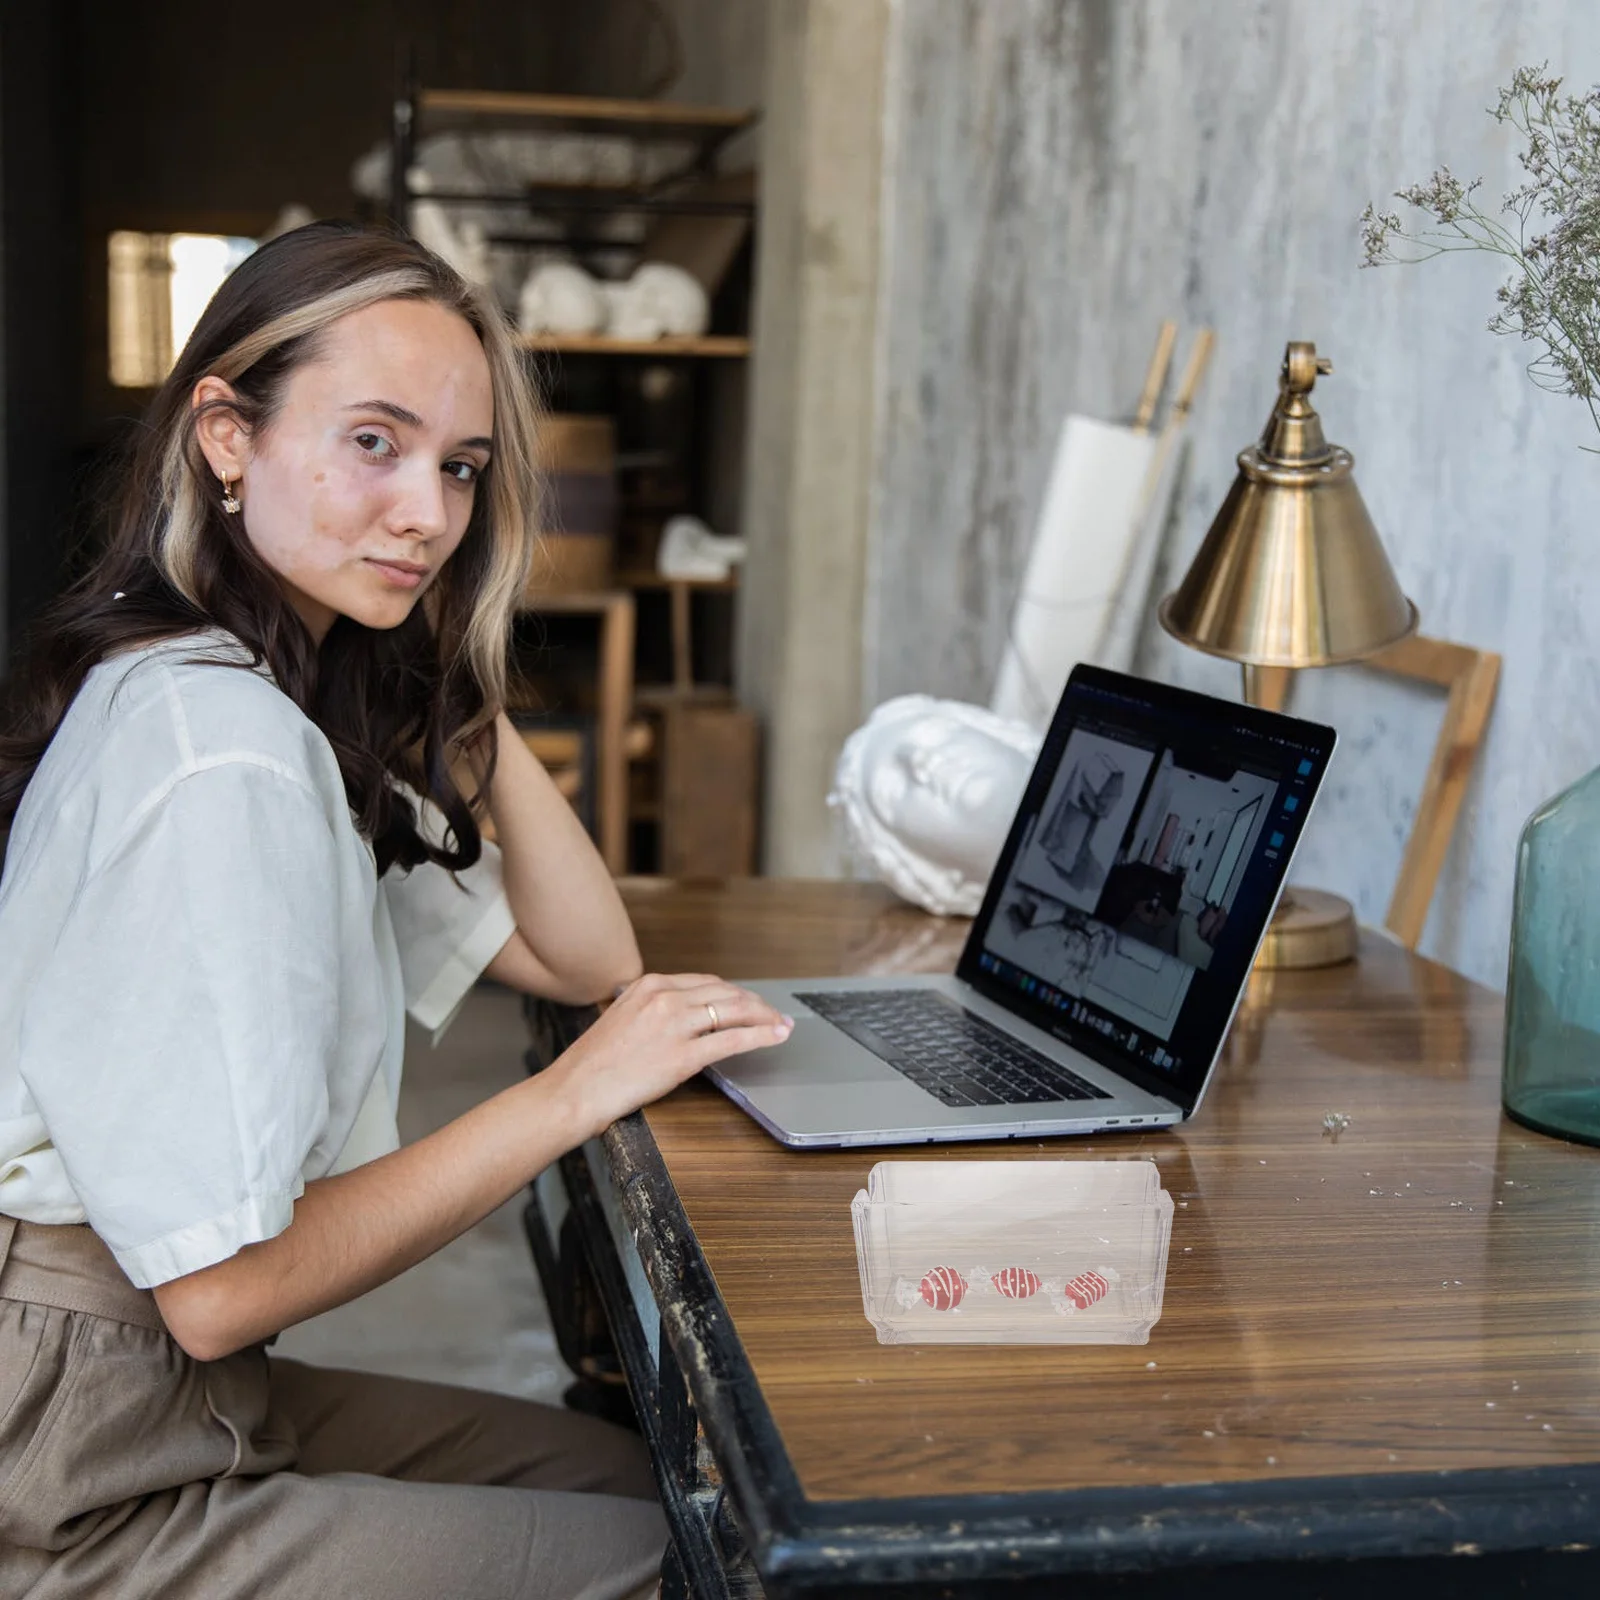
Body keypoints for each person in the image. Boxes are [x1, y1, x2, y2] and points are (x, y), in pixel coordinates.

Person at [0, 221, 794, 1600]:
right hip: (75, 1444)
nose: (430, 514)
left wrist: (443, 669)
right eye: (374, 442)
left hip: (142, 1380)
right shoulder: (226, 752)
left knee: (640, 1478)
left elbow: (588, 953)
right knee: (696, 1562)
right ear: (227, 435)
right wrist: (568, 1097)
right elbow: (223, 1290)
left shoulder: (248, 685)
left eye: (463, 469)